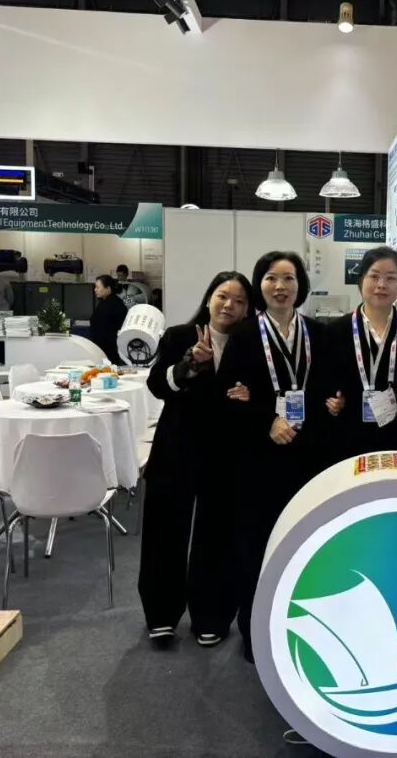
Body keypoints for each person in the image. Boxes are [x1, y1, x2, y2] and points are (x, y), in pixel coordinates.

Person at [218, 251, 340, 663]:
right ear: (260, 284)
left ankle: (299, 629)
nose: (280, 286)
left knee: (303, 542)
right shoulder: (243, 335)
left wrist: (334, 403)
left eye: (289, 278)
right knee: (255, 545)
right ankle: (254, 632)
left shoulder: (318, 333)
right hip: (259, 459)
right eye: (271, 278)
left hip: (308, 457)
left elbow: (328, 388)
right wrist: (266, 420)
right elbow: (229, 397)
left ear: (300, 285)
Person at [138, 271, 254, 648]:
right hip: (177, 449)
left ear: (247, 309)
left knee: (217, 535)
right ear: (209, 299)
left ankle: (211, 615)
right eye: (223, 296)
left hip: (225, 453)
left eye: (239, 301)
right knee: (165, 530)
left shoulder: (250, 343)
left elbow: (261, 389)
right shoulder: (179, 337)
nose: (229, 305)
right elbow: (157, 385)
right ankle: (161, 614)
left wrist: (248, 394)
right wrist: (187, 364)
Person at [326, 246, 397, 459]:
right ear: (361, 281)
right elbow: (325, 381)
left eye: (391, 278)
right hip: (349, 436)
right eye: (374, 276)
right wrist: (330, 400)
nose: (381, 285)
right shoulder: (335, 331)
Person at [90, 275, 129, 364]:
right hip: (102, 348)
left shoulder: (115, 305)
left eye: (98, 287)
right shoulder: (104, 302)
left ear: (108, 289)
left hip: (110, 350)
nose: (95, 290)